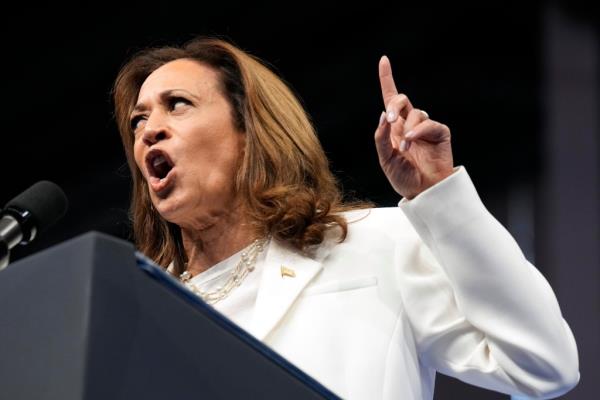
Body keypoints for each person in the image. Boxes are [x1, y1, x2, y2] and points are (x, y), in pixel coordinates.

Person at [112, 37, 579, 399]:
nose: (149, 130)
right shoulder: (140, 311)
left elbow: (542, 364)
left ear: (250, 131)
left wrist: (438, 196)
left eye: (178, 104)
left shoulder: (372, 246)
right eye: (138, 120)